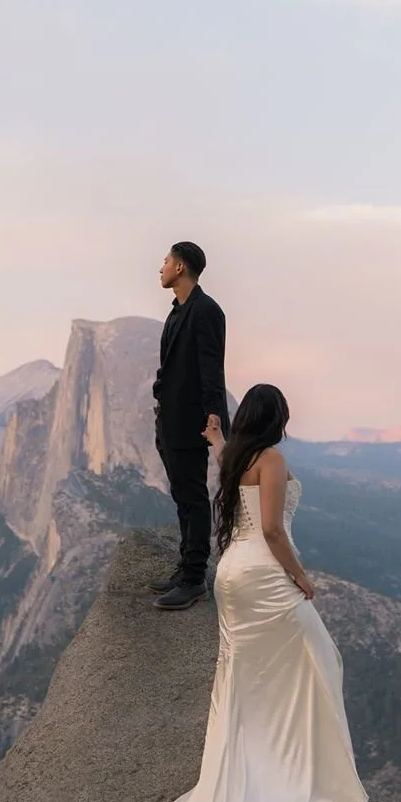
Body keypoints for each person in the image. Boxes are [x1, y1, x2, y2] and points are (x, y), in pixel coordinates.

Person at [33, 383, 380, 802]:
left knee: (244, 684)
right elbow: (272, 529)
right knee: (319, 656)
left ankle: (269, 765)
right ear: (278, 421)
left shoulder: (238, 455)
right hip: (266, 576)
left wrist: (219, 438)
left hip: (231, 578)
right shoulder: (268, 459)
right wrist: (304, 579)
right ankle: (298, 773)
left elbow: (227, 474)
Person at [149, 241, 230, 610]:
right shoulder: (176, 312)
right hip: (170, 420)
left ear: (180, 268)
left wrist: (214, 413)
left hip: (192, 422)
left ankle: (195, 577)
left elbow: (212, 366)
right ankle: (186, 567)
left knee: (194, 497)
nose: (161, 267)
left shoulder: (206, 311)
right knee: (182, 496)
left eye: (166, 261)